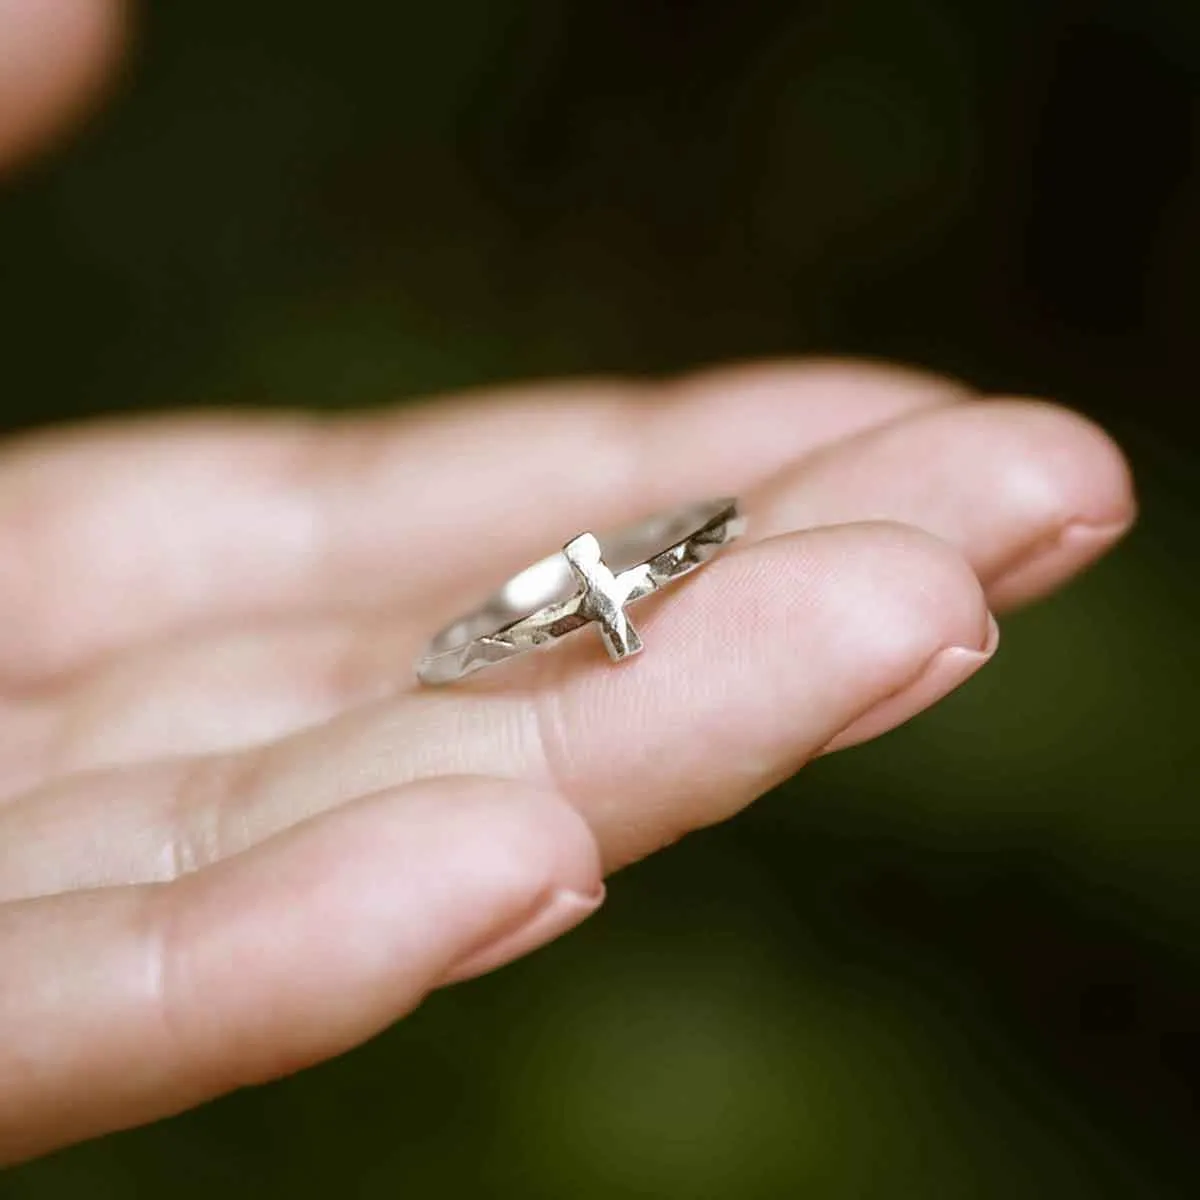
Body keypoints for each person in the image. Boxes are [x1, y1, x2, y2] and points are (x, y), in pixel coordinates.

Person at [0, 0, 1136, 1165]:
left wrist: (612, 593)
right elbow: (486, 633)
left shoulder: (636, 561)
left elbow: (678, 540)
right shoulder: (545, 609)